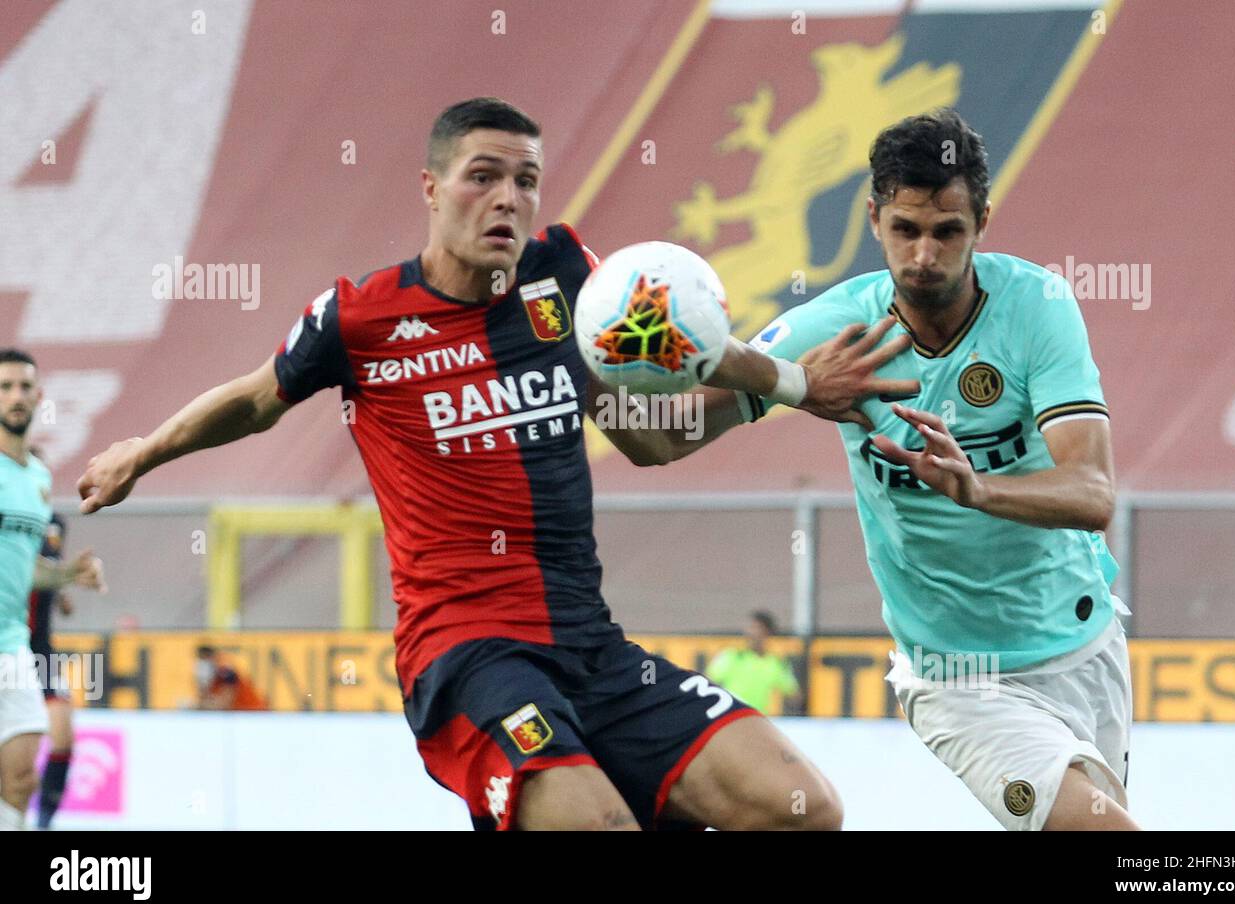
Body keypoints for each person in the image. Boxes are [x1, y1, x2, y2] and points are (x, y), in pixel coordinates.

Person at [76, 97, 916, 831]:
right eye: (484, 176)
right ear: (432, 188)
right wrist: (142, 453)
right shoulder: (359, 318)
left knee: (799, 808)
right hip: (466, 654)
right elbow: (256, 400)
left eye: (526, 180)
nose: (508, 198)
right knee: (594, 824)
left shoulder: (568, 281)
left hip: (590, 647)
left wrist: (798, 385)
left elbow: (649, 434)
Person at [645, 109, 1136, 831]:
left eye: (947, 231)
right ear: (873, 218)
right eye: (905, 230)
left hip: (1087, 643)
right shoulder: (841, 330)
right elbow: (664, 438)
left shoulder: (1038, 307)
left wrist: (976, 488)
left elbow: (1093, 494)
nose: (924, 256)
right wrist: (789, 383)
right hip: (960, 679)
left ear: (983, 222)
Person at [0, 350, 105, 831]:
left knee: (21, 776)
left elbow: (25, 572)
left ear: (38, 397)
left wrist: (67, 575)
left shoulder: (38, 482)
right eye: (4, 387)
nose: (15, 397)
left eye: (24, 387)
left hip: (13, 649)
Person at [25, 500, 77, 830]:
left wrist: (61, 590)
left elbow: (49, 576)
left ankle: (45, 819)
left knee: (62, 737)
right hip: (9, 649)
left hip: (42, 652)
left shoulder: (54, 523)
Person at [706, 611, 801, 716]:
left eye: (757, 628)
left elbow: (793, 694)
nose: (752, 632)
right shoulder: (732, 656)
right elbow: (707, 682)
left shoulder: (775, 663)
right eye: (750, 628)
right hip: (729, 718)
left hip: (756, 720)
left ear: (768, 632)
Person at [194, 645, 268, 711]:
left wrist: (200, 707)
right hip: (243, 714)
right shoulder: (213, 679)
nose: (202, 665)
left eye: (204, 659)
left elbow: (225, 703)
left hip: (253, 712)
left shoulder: (225, 672)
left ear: (212, 658)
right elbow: (208, 699)